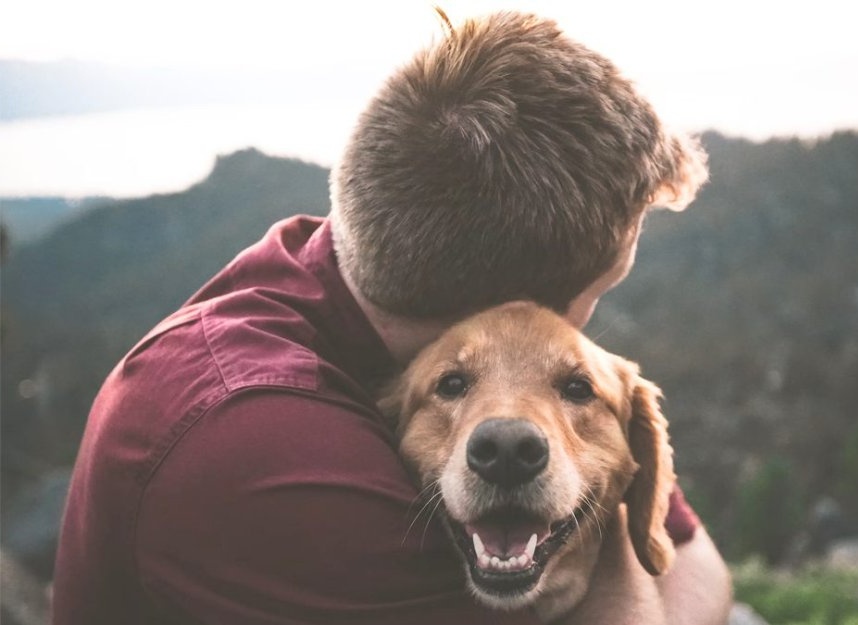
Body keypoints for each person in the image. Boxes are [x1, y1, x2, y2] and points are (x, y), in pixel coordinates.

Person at [52, 11, 731, 625]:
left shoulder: (359, 264)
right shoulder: (259, 447)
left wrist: (607, 499)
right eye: (600, 290)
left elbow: (695, 557)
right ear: (516, 308)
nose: (572, 332)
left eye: (571, 382)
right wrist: (609, 520)